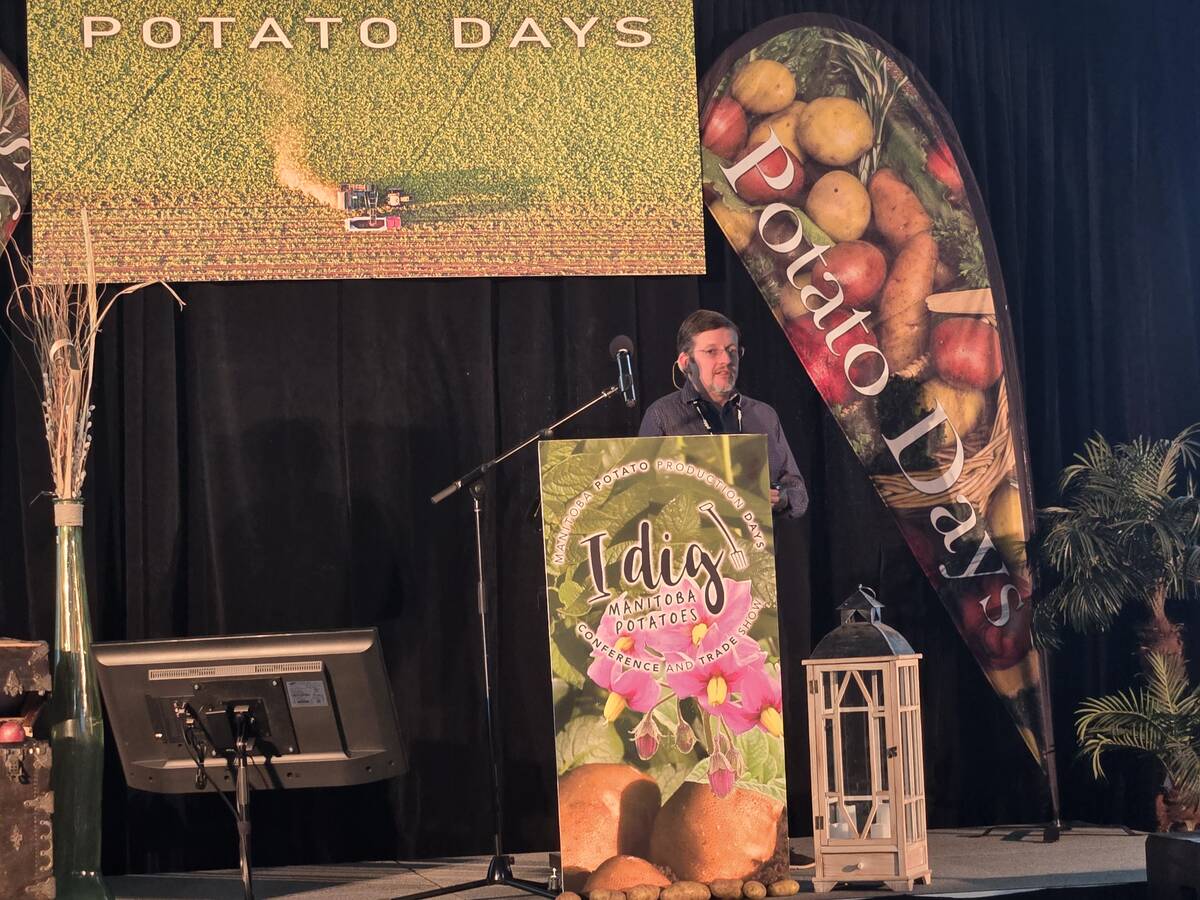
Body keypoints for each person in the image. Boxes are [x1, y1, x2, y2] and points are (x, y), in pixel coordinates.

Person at [639, 309, 808, 518]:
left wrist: (781, 498)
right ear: (685, 362)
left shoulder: (763, 415)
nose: (726, 360)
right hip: (690, 545)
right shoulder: (662, 415)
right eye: (711, 351)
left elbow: (798, 493)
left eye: (732, 350)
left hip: (754, 545)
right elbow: (641, 494)